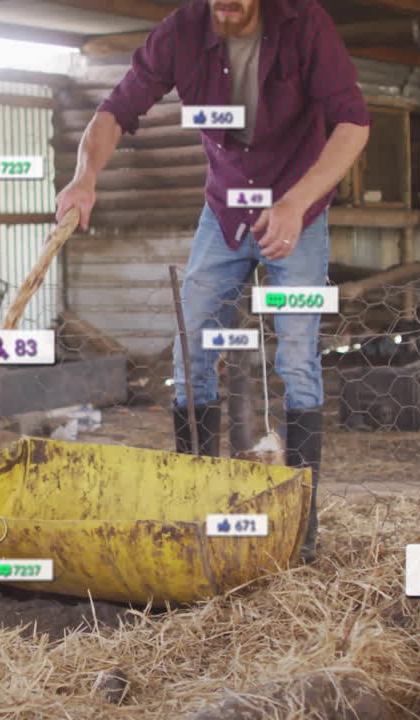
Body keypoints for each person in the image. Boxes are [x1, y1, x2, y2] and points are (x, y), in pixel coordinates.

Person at [54, 0, 370, 562]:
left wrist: (296, 204)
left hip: (298, 213)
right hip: (224, 211)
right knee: (190, 354)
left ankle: (301, 525)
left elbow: (353, 124)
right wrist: (84, 176)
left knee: (298, 359)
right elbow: (115, 111)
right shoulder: (180, 33)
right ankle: (194, 510)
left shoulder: (305, 24)